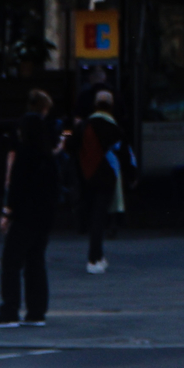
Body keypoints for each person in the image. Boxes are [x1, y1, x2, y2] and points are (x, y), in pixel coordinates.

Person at [0, 89, 60, 329]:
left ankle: (9, 310)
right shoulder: (47, 157)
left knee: (12, 260)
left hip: (24, 214)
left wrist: (8, 212)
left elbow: (17, 184)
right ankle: (36, 312)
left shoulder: (24, 154)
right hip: (44, 214)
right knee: (36, 261)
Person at [74, 91, 121, 272]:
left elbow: (72, 147)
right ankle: (94, 258)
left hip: (87, 175)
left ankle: (97, 255)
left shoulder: (84, 125)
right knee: (99, 217)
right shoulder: (113, 127)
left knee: (93, 214)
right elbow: (122, 151)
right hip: (106, 177)